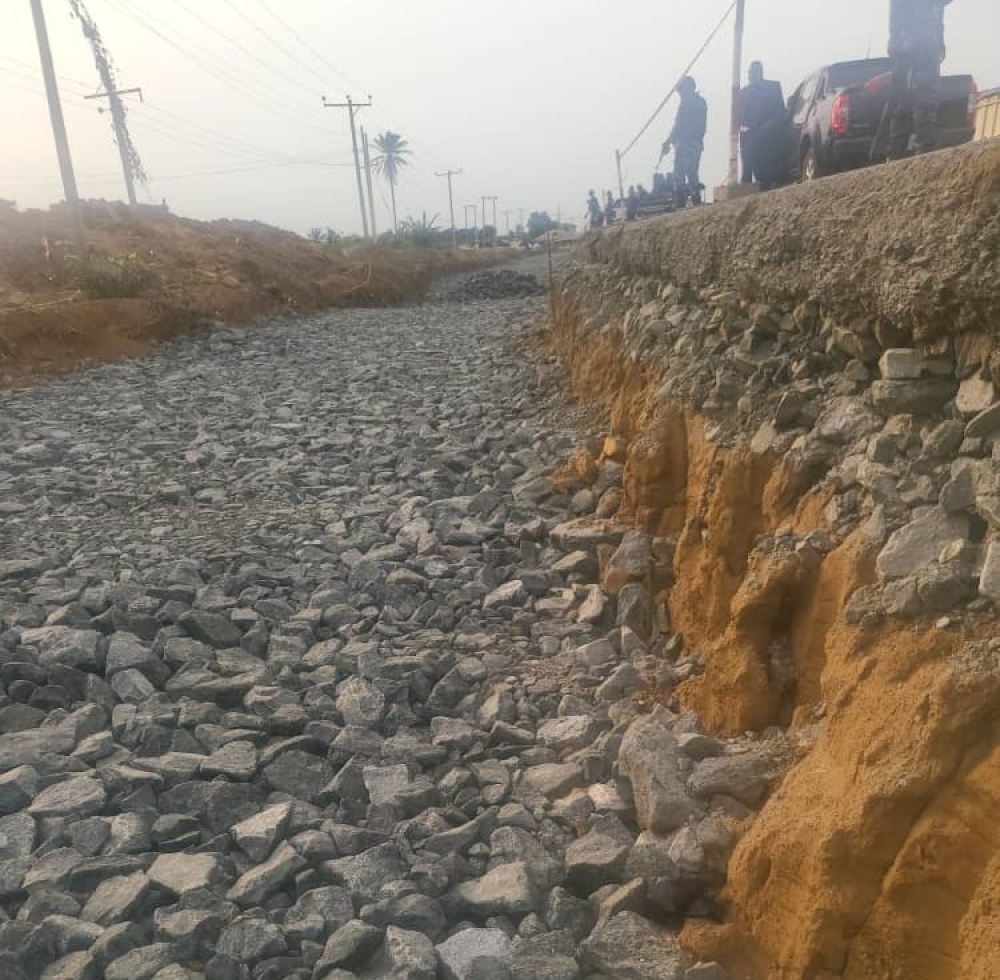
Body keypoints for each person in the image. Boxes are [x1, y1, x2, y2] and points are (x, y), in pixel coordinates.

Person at [887, 0, 953, 158]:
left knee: (905, 99)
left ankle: (899, 150)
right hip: (919, 46)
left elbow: (938, 18)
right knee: (923, 96)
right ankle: (923, 144)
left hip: (913, 45)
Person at [739, 61, 787, 189]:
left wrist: (767, 127)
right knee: (748, 170)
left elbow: (780, 111)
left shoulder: (773, 87)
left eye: (752, 72)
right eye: (749, 73)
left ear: (759, 72)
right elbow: (740, 116)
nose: (750, 76)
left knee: (767, 172)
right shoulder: (744, 92)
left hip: (769, 136)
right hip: (748, 136)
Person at [662, 76, 708, 207]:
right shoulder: (700, 102)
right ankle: (695, 199)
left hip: (686, 143)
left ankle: (682, 201)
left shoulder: (687, 103)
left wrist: (668, 142)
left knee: (681, 173)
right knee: (692, 172)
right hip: (695, 143)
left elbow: (678, 124)